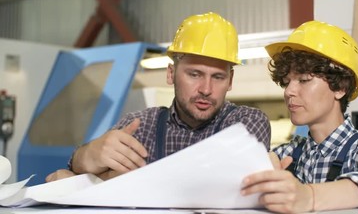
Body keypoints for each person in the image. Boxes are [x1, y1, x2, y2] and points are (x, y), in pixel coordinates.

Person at [46, 12, 271, 182]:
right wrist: (86, 157)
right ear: (171, 73)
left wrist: (114, 179)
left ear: (230, 81)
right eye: (194, 74)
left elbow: (222, 181)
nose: (206, 88)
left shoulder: (246, 124)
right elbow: (78, 170)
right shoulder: (141, 127)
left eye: (218, 77)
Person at [240, 20, 358, 213]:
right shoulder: (288, 154)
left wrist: (309, 196)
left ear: (340, 87)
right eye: (286, 82)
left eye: (304, 80)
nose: (289, 91)